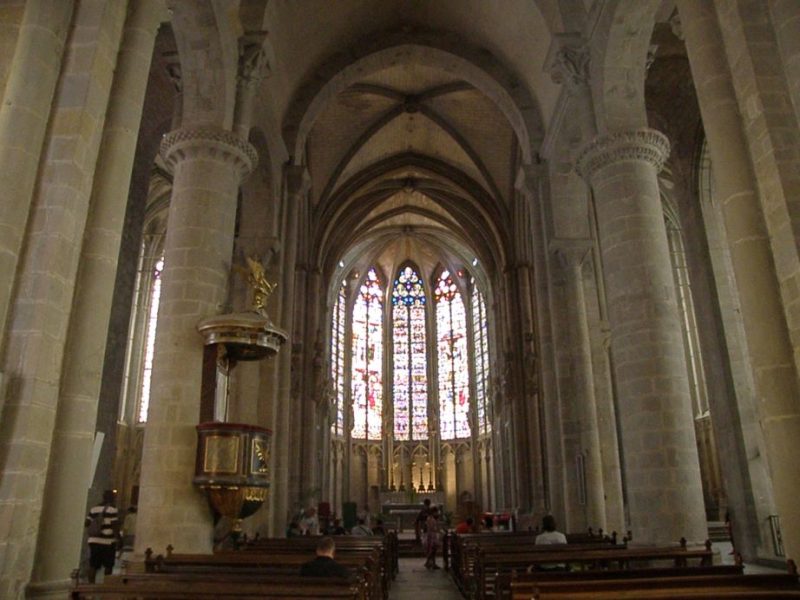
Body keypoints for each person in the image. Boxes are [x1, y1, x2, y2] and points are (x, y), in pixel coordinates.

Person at [85, 490, 119, 583]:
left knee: (93, 565)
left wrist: (96, 524)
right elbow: (115, 525)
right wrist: (119, 539)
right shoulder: (112, 509)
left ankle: (90, 587)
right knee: (108, 565)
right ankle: (106, 586)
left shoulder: (94, 508)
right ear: (112, 498)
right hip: (107, 541)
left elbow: (87, 523)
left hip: (94, 540)